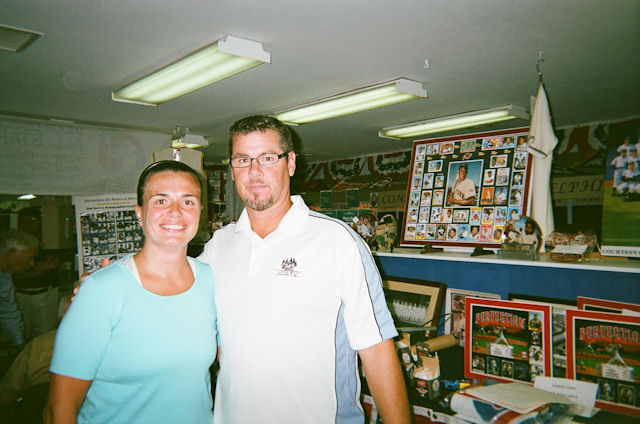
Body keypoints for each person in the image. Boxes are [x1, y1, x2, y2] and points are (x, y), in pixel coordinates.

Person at [199, 115, 410, 423]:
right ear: (232, 169)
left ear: (291, 163)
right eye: (242, 160)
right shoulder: (217, 247)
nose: (254, 171)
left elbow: (377, 350)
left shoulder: (337, 241)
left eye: (267, 158)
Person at [44, 160, 217, 424]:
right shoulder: (102, 291)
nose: (175, 212)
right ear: (139, 212)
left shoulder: (210, 280)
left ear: (200, 211)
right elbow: (59, 412)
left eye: (188, 201)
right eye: (161, 201)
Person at [0, 231, 39, 349]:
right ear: (10, 252)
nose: (32, 263)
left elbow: (8, 309)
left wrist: (20, 343)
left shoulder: (4, 275)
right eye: (29, 258)